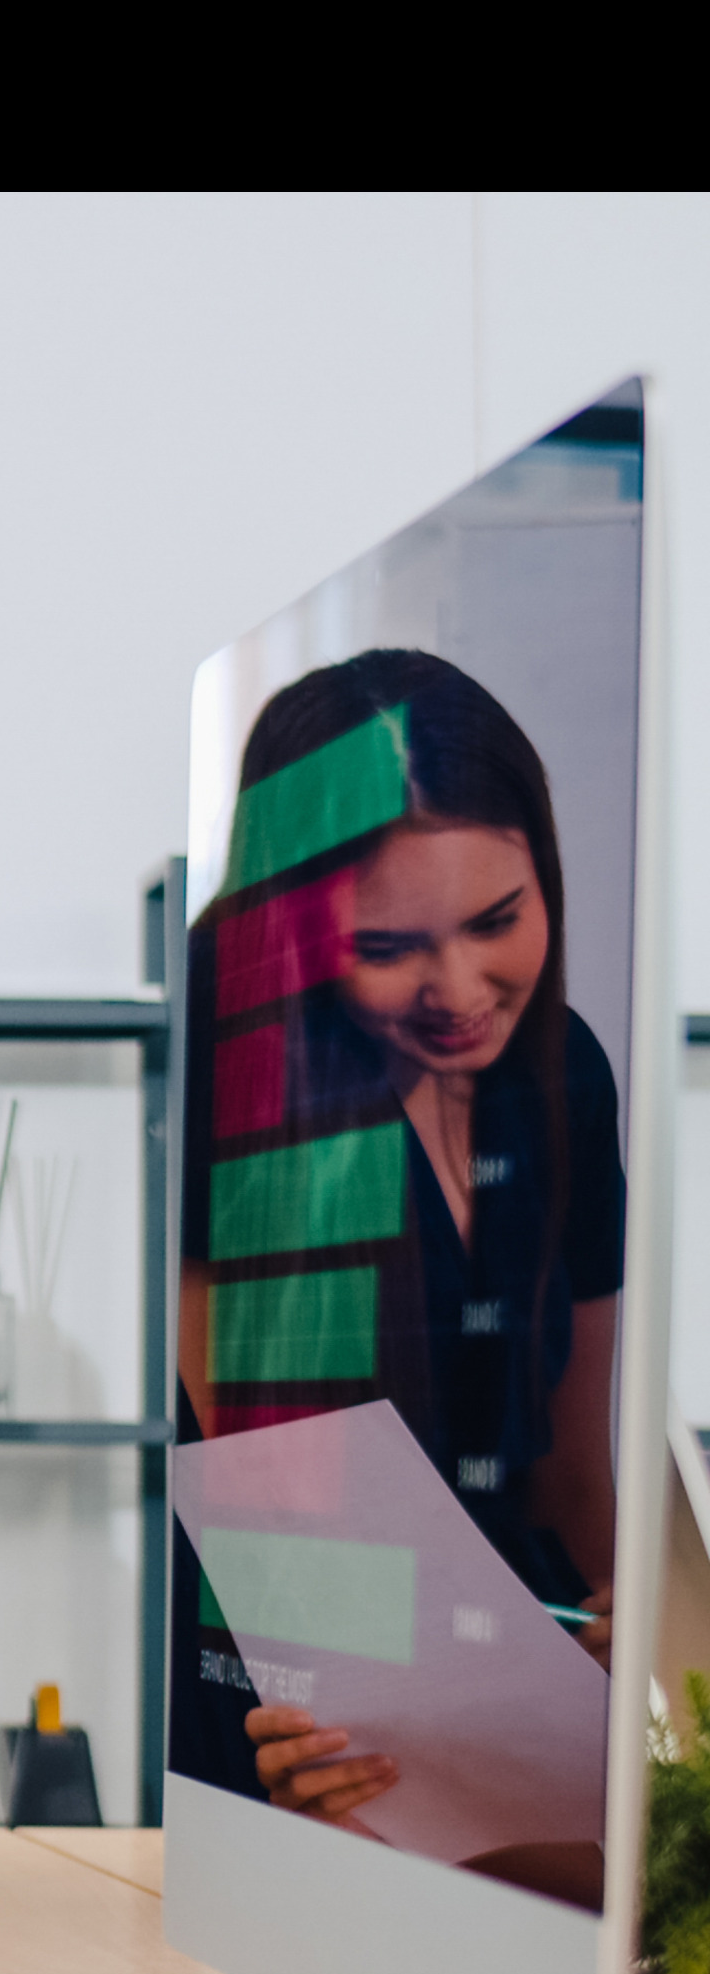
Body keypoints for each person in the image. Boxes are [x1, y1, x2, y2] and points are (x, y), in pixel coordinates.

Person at [173, 650, 624, 1906]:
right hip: (315, 1733)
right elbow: (294, 1550)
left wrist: (631, 1643)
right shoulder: (242, 1093)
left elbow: (575, 1478)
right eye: (388, 946)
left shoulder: (566, 1074)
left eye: (498, 918)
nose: (462, 992)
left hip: (523, 1735)